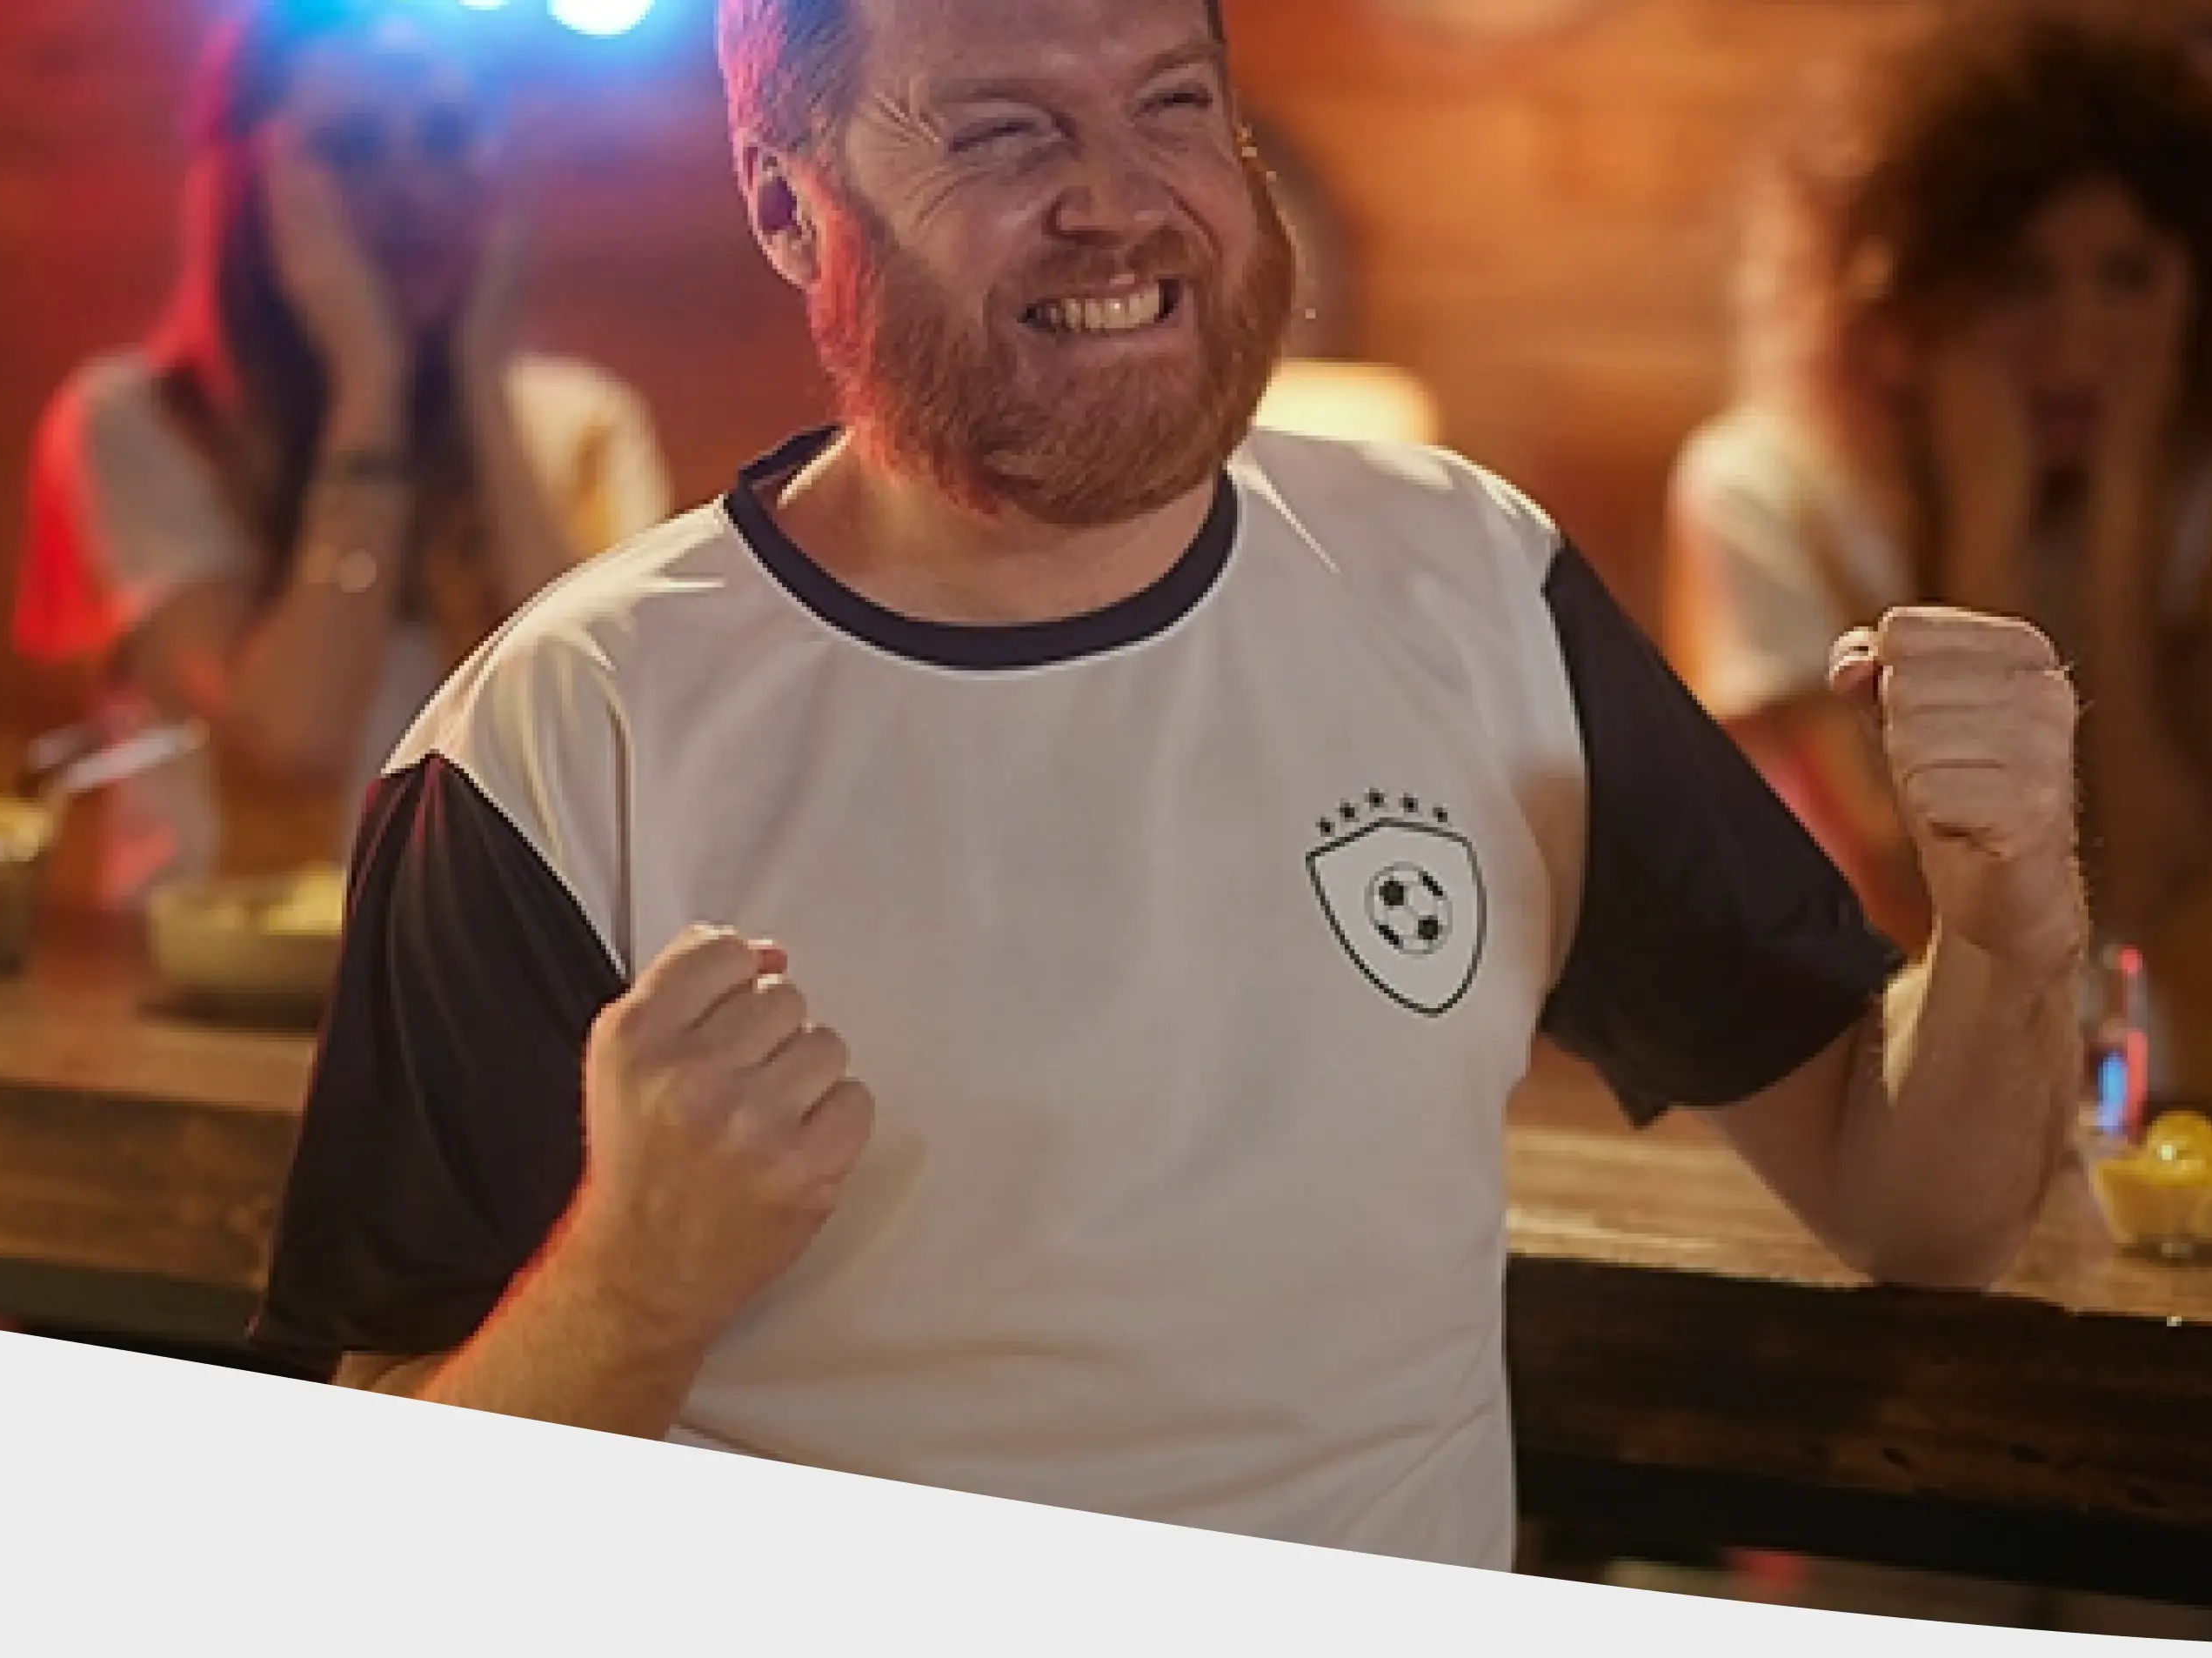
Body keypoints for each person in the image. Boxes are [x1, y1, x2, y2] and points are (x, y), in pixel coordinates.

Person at [251, 0, 2088, 1570]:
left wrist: (2012, 919)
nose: (1120, 198)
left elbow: (1917, 1206)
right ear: (790, 209)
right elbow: (378, 1550)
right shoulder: (560, 736)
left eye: (1173, 104)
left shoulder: (1475, 582)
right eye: (1001, 129)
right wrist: (634, 1281)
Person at [1669, 5, 2212, 1111]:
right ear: (1902, 301)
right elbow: (1933, 881)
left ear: (2203, 285)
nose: (2076, 344)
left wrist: (2127, 517)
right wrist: (1987, 521)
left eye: (2127, 276)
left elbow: (2150, 878)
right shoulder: (1766, 493)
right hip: (1896, 1102)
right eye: (2017, 282)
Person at [17, 5, 672, 905]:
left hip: (487, 970)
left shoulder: (581, 424)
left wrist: (484, 390)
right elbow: (294, 738)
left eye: (445, 138)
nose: (412, 189)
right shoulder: (140, 421)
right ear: (249, 182)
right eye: (353, 148)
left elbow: (604, 734)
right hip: (214, 972)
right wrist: (370, 385)